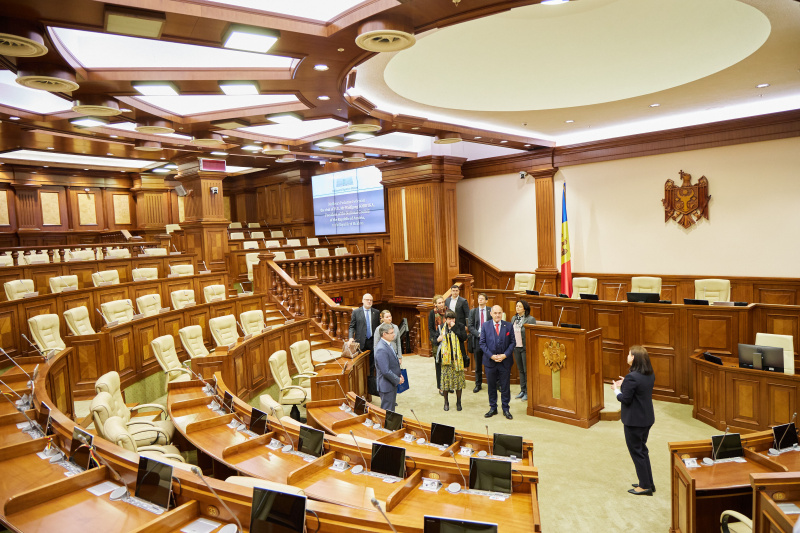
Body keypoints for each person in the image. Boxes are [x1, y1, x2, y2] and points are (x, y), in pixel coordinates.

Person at [612, 345, 656, 496]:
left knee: (637, 452)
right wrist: (626, 383)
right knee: (642, 450)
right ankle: (648, 482)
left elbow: (626, 399)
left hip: (634, 421)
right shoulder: (648, 374)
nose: (627, 356)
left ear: (634, 358)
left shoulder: (632, 377)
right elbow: (639, 388)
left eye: (629, 354)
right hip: (647, 418)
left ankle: (644, 486)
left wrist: (617, 390)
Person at [479, 305, 515, 419]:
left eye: (499, 313)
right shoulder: (485, 325)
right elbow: (482, 344)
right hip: (490, 362)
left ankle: (506, 409)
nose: (497, 315)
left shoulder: (508, 326)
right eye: (495, 313)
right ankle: (493, 408)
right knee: (491, 387)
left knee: (505, 387)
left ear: (502, 313)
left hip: (505, 362)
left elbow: (513, 343)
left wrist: (504, 355)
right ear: (491, 314)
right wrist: (492, 356)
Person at [348, 293, 381, 394]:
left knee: (371, 365)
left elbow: (378, 328)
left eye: (371, 300)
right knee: (360, 365)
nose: (369, 302)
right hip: (360, 343)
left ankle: (371, 389)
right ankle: (361, 387)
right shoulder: (356, 312)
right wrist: (350, 338)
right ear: (362, 301)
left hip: (372, 341)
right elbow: (351, 326)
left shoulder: (376, 312)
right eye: (367, 300)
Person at [438, 310, 466, 411]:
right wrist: (437, 340)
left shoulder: (460, 326)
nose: (451, 320)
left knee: (458, 382)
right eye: (449, 318)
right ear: (446, 319)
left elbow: (463, 337)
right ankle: (446, 402)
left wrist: (454, 328)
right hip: (446, 360)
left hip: (457, 359)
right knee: (446, 383)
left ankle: (458, 402)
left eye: (453, 318)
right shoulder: (441, 327)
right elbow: (435, 340)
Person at [510, 300, 536, 401]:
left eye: (519, 306)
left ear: (524, 308)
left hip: (525, 349)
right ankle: (522, 390)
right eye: (516, 306)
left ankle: (528, 392)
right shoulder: (514, 318)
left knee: (526, 371)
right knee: (520, 370)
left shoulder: (530, 319)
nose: (517, 308)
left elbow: (532, 335)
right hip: (516, 348)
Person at [374, 323, 404, 411]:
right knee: (387, 412)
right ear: (384, 334)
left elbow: (392, 363)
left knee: (391, 410)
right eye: (391, 333)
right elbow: (385, 371)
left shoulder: (388, 344)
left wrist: (398, 375)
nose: (394, 334)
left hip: (391, 383)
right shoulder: (381, 349)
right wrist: (397, 380)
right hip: (386, 386)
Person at [467, 293, 491, 393]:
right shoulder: (473, 311)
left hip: (489, 340)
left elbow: (495, 323)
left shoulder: (491, 310)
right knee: (478, 364)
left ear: (486, 301)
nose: (480, 300)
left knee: (491, 363)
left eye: (482, 299)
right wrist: (478, 334)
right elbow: (470, 326)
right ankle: (478, 384)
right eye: (479, 299)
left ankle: (494, 384)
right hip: (477, 339)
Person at [444, 284, 469, 364]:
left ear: (459, 291)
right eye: (453, 291)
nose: (455, 292)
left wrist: (466, 326)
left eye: (456, 291)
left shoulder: (463, 301)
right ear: (451, 291)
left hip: (459, 325)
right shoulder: (447, 300)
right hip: (449, 325)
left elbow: (467, 315)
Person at [428, 295, 447, 394]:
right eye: (439, 303)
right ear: (435, 304)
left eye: (442, 302)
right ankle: (440, 387)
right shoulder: (432, 313)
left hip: (447, 341)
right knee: (439, 364)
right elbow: (431, 328)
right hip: (437, 341)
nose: (441, 304)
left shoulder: (448, 311)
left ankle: (447, 385)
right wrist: (436, 338)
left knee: (447, 364)